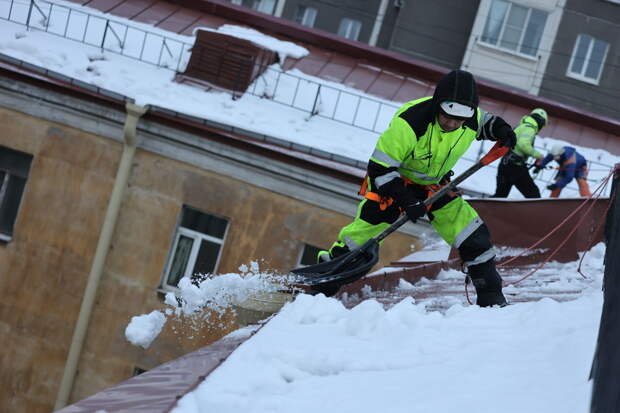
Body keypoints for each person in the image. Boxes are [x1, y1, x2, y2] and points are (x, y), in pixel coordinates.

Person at [317, 69, 516, 307]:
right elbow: (379, 169)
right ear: (437, 107)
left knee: (472, 234)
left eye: (459, 120)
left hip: (435, 186)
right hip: (393, 183)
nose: (452, 124)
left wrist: (503, 131)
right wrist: (406, 200)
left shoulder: (469, 117)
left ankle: (491, 296)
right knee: (362, 239)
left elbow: (487, 123)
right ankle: (321, 286)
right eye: (447, 118)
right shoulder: (410, 122)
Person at [493, 108, 548, 198]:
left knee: (500, 196)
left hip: (505, 164)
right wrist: (539, 155)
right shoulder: (529, 128)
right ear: (541, 122)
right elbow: (523, 144)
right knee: (534, 196)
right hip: (515, 167)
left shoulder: (521, 126)